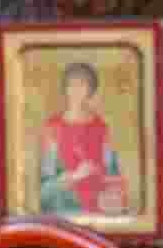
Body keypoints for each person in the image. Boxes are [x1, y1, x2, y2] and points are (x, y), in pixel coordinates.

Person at [40, 61, 127, 215]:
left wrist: (112, 192)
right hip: (66, 207)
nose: (76, 91)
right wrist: (75, 176)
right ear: (65, 89)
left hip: (101, 207)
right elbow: (45, 190)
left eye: (82, 85)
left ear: (90, 90)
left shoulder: (101, 128)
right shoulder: (53, 128)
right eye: (71, 85)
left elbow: (114, 175)